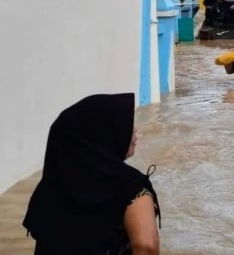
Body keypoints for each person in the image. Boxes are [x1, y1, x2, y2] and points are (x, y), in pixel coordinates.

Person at [23, 93, 161, 255]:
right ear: (104, 133)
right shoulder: (130, 186)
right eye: (125, 125)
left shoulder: (54, 186)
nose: (135, 133)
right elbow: (146, 246)